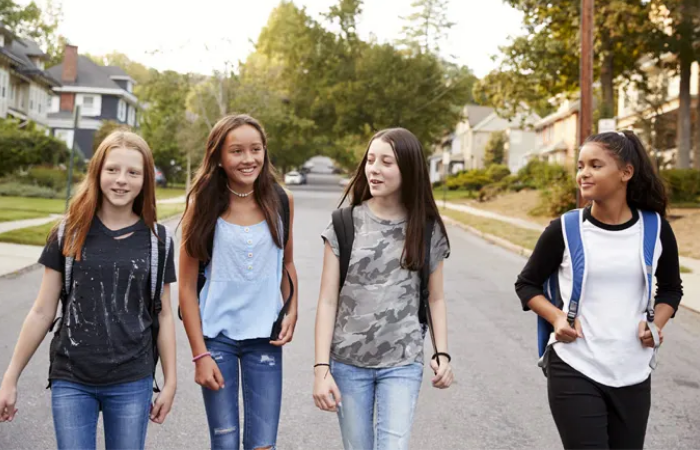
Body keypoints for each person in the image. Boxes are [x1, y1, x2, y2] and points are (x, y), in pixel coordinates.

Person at [0, 131, 178, 450]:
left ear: (145, 179)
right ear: (97, 172)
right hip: (72, 379)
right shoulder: (68, 233)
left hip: (131, 380)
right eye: (112, 169)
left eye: (132, 172)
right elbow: (42, 312)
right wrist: (10, 377)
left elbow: (164, 316)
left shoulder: (158, 241)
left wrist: (171, 381)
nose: (121, 180)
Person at [515, 130, 683, 449]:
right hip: (575, 364)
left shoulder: (656, 229)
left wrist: (656, 324)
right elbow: (527, 284)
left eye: (595, 165)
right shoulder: (565, 229)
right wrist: (557, 318)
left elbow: (672, 290)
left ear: (625, 172)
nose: (584, 174)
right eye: (580, 166)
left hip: (633, 370)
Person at [313, 127, 453, 450]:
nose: (374, 168)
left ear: (408, 169)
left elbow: (436, 298)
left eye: (386, 162)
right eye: (371, 160)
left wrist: (442, 353)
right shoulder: (343, 224)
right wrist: (321, 368)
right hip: (347, 363)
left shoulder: (427, 228)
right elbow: (327, 301)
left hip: (402, 363)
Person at [178, 114, 298, 450]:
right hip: (217, 340)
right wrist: (199, 356)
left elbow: (287, 264)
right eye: (237, 151)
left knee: (262, 445)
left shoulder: (281, 200)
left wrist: (292, 310)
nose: (248, 159)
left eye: (255, 149)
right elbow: (186, 287)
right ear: (218, 156)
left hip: (266, 340)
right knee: (225, 443)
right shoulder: (201, 204)